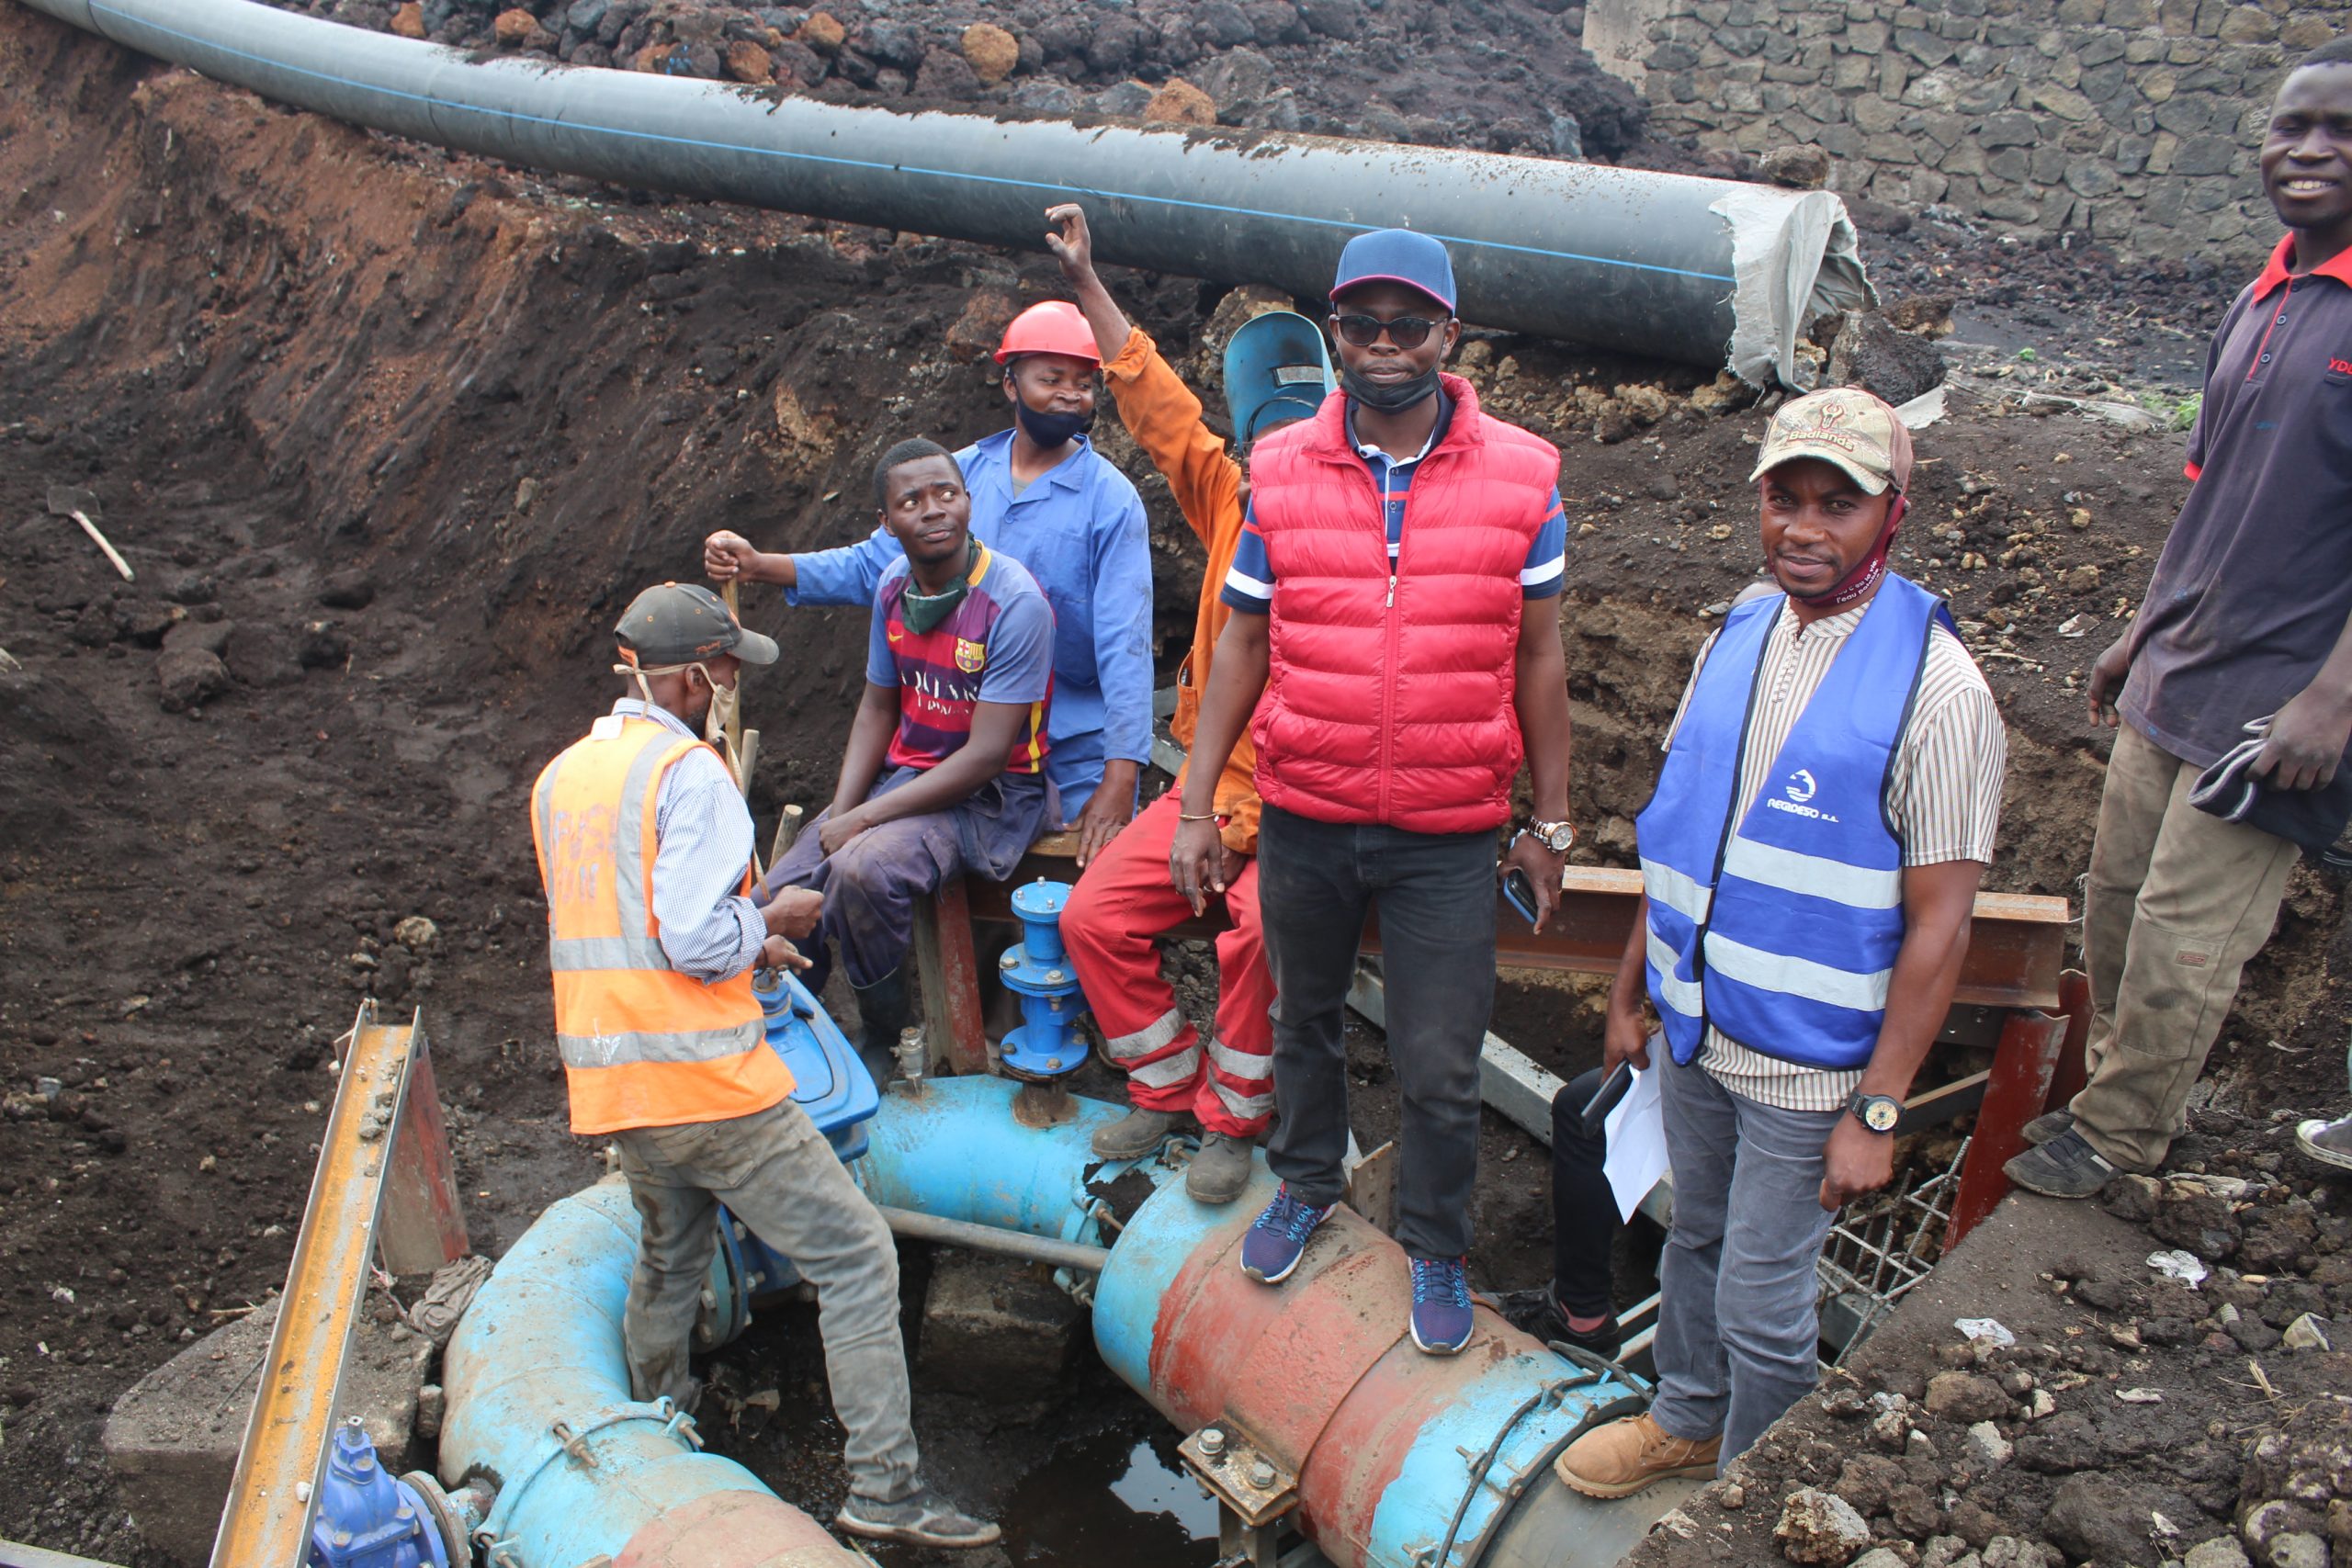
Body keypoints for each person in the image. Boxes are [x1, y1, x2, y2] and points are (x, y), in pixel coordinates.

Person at [1552, 389, 2005, 1498]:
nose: (1803, 529)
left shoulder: (1939, 690)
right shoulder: (1740, 630)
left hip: (1808, 1067)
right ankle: (1685, 1417)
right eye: (1783, 499)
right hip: (1697, 1031)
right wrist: (1630, 991)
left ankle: (1748, 1497)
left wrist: (1878, 1109)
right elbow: (1683, 835)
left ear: (1890, 514)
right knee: (1694, 1236)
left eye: (1836, 505)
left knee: (1762, 1294)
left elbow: (1942, 925)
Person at [528, 581, 998, 1549]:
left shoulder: (563, 778)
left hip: (617, 1085)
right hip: (707, 1084)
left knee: (670, 1260)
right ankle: (885, 1490)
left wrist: (749, 941)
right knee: (856, 1254)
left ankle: (658, 1446)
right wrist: (770, 918)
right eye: (726, 668)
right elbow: (694, 939)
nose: (732, 683)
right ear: (693, 679)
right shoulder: (690, 773)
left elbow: (628, 930)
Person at [1174, 228, 1573, 1355]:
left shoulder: (1525, 475)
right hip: (1307, 812)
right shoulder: (1280, 469)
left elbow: (1539, 654)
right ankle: (1305, 1182)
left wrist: (1548, 822)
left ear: (1449, 334)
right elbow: (1242, 642)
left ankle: (1436, 1246)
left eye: (1409, 325)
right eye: (1361, 324)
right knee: (1300, 1019)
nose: (1384, 344)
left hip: (1447, 831)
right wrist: (1197, 804)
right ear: (1336, 335)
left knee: (1440, 1061)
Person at [2006, 39, 2352, 1200]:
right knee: (2114, 907)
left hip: (2279, 705)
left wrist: (2331, 701)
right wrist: (2138, 630)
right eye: (2292, 126)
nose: (2308, 150)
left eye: (2339, 131)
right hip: (2180, 668)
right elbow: (2207, 495)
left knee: (2185, 935)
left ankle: (2122, 1139)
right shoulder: (2259, 302)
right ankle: (2113, 1098)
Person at [1047, 202, 1333, 1203]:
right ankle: (1164, 1085)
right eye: (1267, 446)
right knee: (1093, 915)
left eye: (1301, 444)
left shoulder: (1360, 537)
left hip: (1302, 807)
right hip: (1211, 790)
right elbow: (1157, 405)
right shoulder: (1229, 502)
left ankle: (1233, 1119)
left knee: (1259, 935)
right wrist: (1087, 283)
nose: (1280, 465)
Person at [705, 302, 1154, 862]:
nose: (1070, 395)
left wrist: (1121, 774)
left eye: (1084, 384)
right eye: (1052, 379)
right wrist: (759, 565)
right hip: (953, 743)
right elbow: (875, 564)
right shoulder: (955, 477)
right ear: (1011, 384)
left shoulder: (1111, 502)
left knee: (1065, 892)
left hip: (1066, 748)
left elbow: (1126, 645)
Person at [759, 439, 1057, 1077]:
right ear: (887, 521)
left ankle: (886, 1035)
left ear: (969, 501)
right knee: (776, 892)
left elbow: (986, 755)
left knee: (863, 871)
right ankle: (790, 1030)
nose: (933, 509)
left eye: (946, 493)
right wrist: (841, 814)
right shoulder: (894, 585)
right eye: (912, 500)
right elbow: (877, 707)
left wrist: (862, 822)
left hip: (993, 798)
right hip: (907, 780)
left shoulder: (1013, 602)